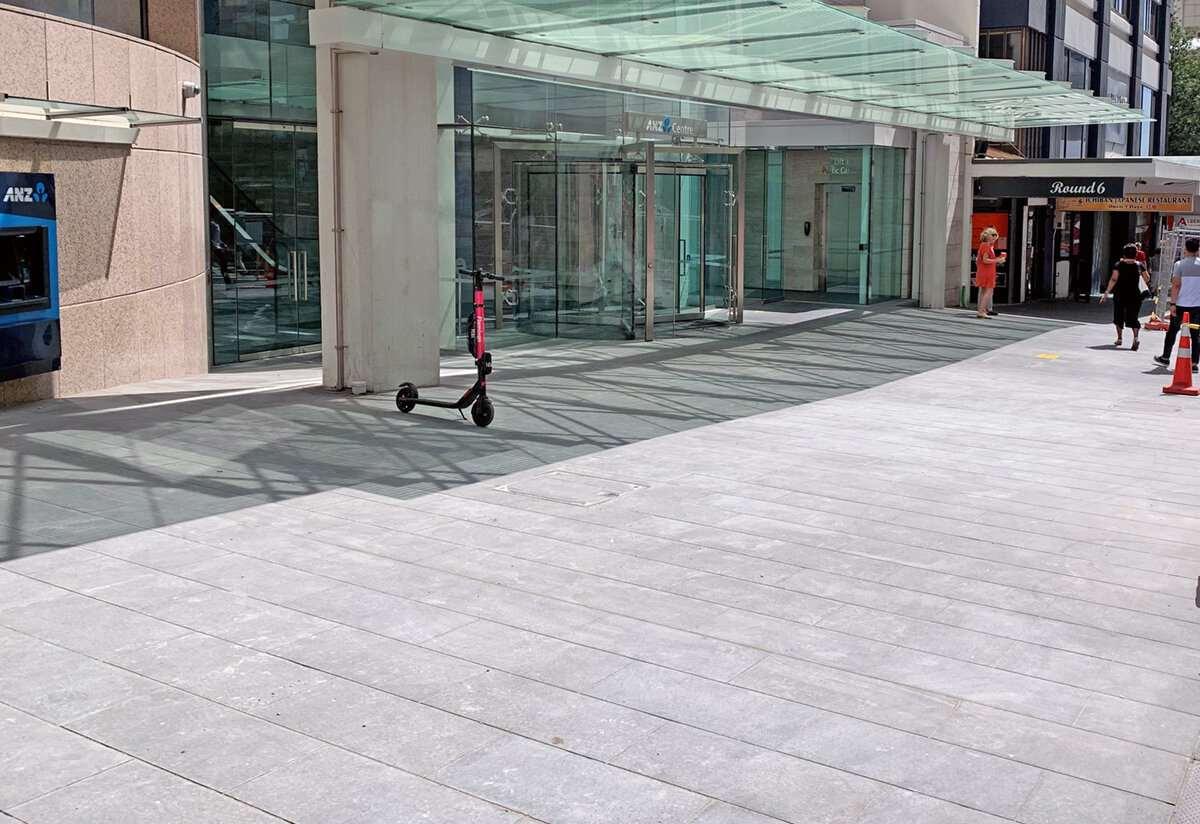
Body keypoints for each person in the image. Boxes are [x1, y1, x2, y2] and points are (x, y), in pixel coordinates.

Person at [1154, 236, 1200, 373]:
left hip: (1181, 304)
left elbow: (1176, 285)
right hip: (1197, 306)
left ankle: (1165, 357)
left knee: (1172, 331)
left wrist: (1172, 304)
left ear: (1185, 249)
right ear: (1197, 249)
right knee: (1195, 335)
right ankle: (1194, 363)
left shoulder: (1179, 265)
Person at [1099, 244, 1145, 350]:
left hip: (1120, 294)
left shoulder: (1118, 265)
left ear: (1124, 254)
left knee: (1118, 315)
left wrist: (1106, 293)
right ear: (1136, 254)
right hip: (1135, 295)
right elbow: (1146, 278)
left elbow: (1114, 279)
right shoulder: (1139, 265)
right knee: (1133, 317)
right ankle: (1136, 338)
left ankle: (1119, 338)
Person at [975, 227, 1005, 319]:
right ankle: (981, 311)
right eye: (993, 236)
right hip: (987, 272)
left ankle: (982, 310)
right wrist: (998, 260)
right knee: (988, 291)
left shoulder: (985, 245)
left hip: (985, 271)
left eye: (995, 236)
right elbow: (985, 260)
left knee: (984, 291)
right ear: (988, 236)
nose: (994, 238)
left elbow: (983, 260)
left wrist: (997, 259)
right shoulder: (986, 246)